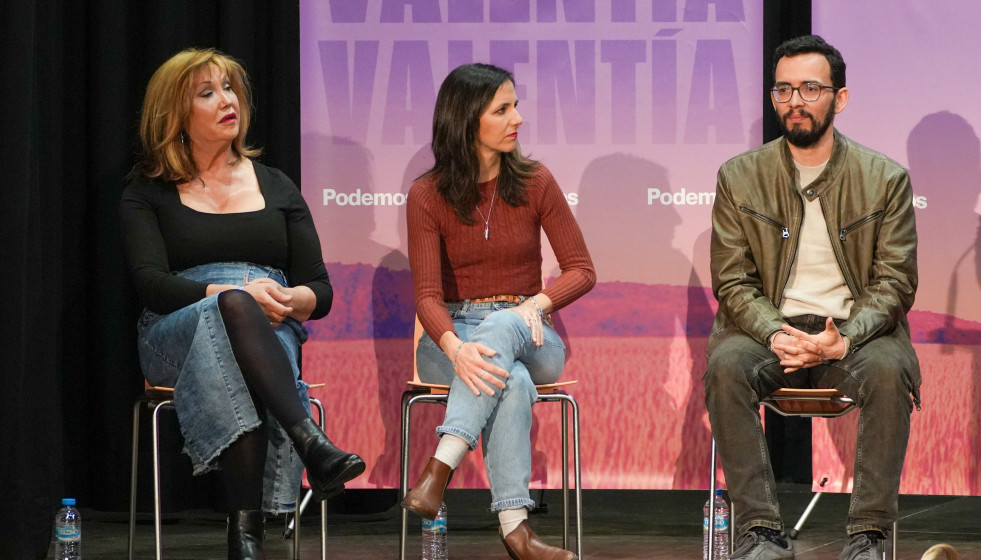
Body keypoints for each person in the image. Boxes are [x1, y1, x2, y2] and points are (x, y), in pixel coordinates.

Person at [119, 48, 365, 560]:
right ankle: (308, 440)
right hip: (173, 332)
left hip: (271, 326)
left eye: (229, 88)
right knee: (231, 308)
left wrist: (290, 299)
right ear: (176, 115)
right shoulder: (147, 191)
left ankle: (245, 536)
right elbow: (151, 285)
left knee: (243, 344)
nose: (227, 100)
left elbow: (319, 290)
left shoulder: (276, 184)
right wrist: (231, 296)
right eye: (207, 93)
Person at [704, 35, 920, 560]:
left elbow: (894, 284)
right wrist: (778, 333)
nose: (795, 101)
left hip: (853, 334)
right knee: (726, 366)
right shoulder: (740, 176)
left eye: (810, 88)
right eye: (784, 90)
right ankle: (760, 532)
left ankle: (868, 535)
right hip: (768, 330)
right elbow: (732, 281)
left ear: (838, 98)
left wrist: (839, 342)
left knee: (891, 371)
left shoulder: (885, 178)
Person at [400, 63, 594, 560]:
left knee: (506, 326)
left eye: (516, 106)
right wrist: (456, 348)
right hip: (452, 336)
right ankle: (516, 530)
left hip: (532, 333)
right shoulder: (427, 194)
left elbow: (581, 270)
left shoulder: (536, 181)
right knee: (509, 381)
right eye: (503, 109)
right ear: (467, 121)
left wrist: (538, 303)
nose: (518, 118)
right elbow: (426, 296)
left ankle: (439, 467)